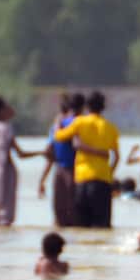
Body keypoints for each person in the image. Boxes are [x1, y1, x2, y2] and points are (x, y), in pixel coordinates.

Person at [52, 90, 120, 228]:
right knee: (102, 225)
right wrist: (110, 173)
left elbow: (59, 136)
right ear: (103, 107)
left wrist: (58, 122)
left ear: (87, 107)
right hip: (102, 179)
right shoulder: (111, 128)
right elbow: (116, 157)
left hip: (82, 178)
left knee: (82, 226)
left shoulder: (79, 123)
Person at [0, 95, 42, 227]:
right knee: (6, 217)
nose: (11, 109)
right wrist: (43, 153)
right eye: (7, 107)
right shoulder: (5, 128)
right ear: (0, 111)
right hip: (5, 172)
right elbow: (20, 154)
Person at [38, 93, 84, 226]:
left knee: (60, 211)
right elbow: (50, 151)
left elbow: (49, 153)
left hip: (62, 170)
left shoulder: (57, 126)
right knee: (72, 210)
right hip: (72, 170)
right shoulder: (77, 124)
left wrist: (42, 180)